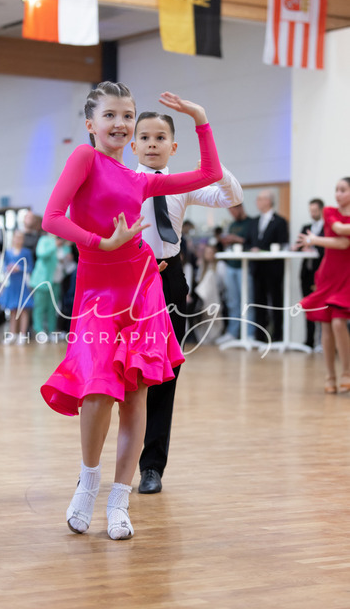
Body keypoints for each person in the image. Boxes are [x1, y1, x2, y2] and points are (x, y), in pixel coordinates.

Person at [39, 81, 223, 540]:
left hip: (143, 290)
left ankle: (120, 499)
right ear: (91, 124)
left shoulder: (142, 180)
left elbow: (209, 173)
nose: (120, 123)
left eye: (127, 115)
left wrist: (200, 119)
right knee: (97, 390)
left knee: (137, 393)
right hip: (98, 294)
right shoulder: (84, 158)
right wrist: (101, 242)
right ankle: (88, 484)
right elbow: (52, 218)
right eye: (110, 115)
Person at [131, 110, 242, 494]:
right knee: (121, 375)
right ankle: (104, 464)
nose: (152, 144)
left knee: (166, 373)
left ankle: (152, 467)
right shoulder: (123, 180)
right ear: (133, 145)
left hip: (170, 279)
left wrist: (212, 166)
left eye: (160, 138)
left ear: (173, 146)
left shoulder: (183, 185)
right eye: (145, 137)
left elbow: (232, 197)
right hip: (130, 279)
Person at [297, 178, 350, 394]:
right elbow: (340, 233)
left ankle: (346, 372)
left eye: (343, 190)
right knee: (326, 325)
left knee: (338, 323)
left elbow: (344, 242)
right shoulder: (329, 212)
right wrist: (317, 241)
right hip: (328, 275)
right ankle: (330, 376)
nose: (338, 194)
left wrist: (315, 240)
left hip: (346, 277)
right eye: (337, 190)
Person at [246, 190, 289, 342]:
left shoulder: (280, 221)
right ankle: (260, 335)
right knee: (258, 301)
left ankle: (277, 335)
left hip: (273, 268)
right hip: (257, 267)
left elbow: (283, 243)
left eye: (260, 199)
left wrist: (265, 249)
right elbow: (248, 241)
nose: (257, 202)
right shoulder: (253, 221)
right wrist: (252, 249)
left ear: (269, 201)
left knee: (276, 301)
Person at [216, 203, 253, 344]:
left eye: (233, 211)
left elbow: (253, 243)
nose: (231, 214)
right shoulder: (232, 225)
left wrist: (237, 239)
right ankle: (233, 332)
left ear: (240, 208)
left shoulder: (251, 223)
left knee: (247, 301)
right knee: (232, 301)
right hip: (231, 265)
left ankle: (249, 333)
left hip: (244, 266)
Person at [297, 198, 325, 348]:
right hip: (306, 273)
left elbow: (326, 248)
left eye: (315, 210)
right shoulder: (306, 227)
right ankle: (309, 341)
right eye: (311, 211)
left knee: (321, 307)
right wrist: (302, 248)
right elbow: (299, 245)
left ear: (321, 210)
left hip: (320, 272)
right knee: (307, 306)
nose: (312, 213)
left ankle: (322, 341)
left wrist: (314, 245)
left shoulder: (326, 229)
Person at [0, 230, 34, 344]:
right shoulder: (8, 252)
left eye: (21, 238)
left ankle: (22, 334)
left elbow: (31, 268)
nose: (18, 240)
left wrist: (20, 268)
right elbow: (3, 267)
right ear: (13, 238)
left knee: (23, 309)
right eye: (16, 237)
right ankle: (12, 333)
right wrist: (8, 268)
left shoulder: (27, 252)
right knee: (13, 310)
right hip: (11, 283)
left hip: (23, 283)